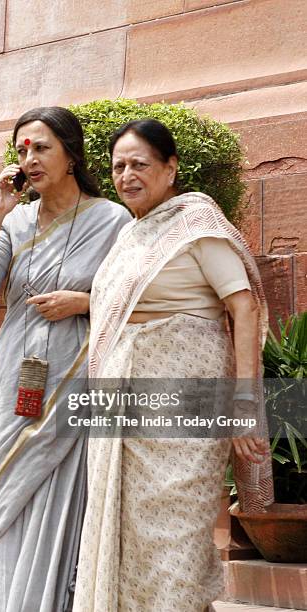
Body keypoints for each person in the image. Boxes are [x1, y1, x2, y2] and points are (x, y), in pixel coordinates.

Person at [72, 120, 274, 612]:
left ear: (170, 168)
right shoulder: (132, 235)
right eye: (118, 166)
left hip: (187, 408)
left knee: (177, 534)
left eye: (140, 164)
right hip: (127, 409)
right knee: (133, 539)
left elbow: (244, 307)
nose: (127, 175)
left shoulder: (195, 224)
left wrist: (245, 400)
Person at [0, 106, 131, 612]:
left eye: (41, 148)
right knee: (9, 500)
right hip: (16, 379)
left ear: (71, 154)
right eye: (21, 150)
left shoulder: (111, 219)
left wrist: (83, 303)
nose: (29, 159)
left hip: (75, 382)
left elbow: (138, 298)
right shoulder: (15, 219)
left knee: (63, 499)